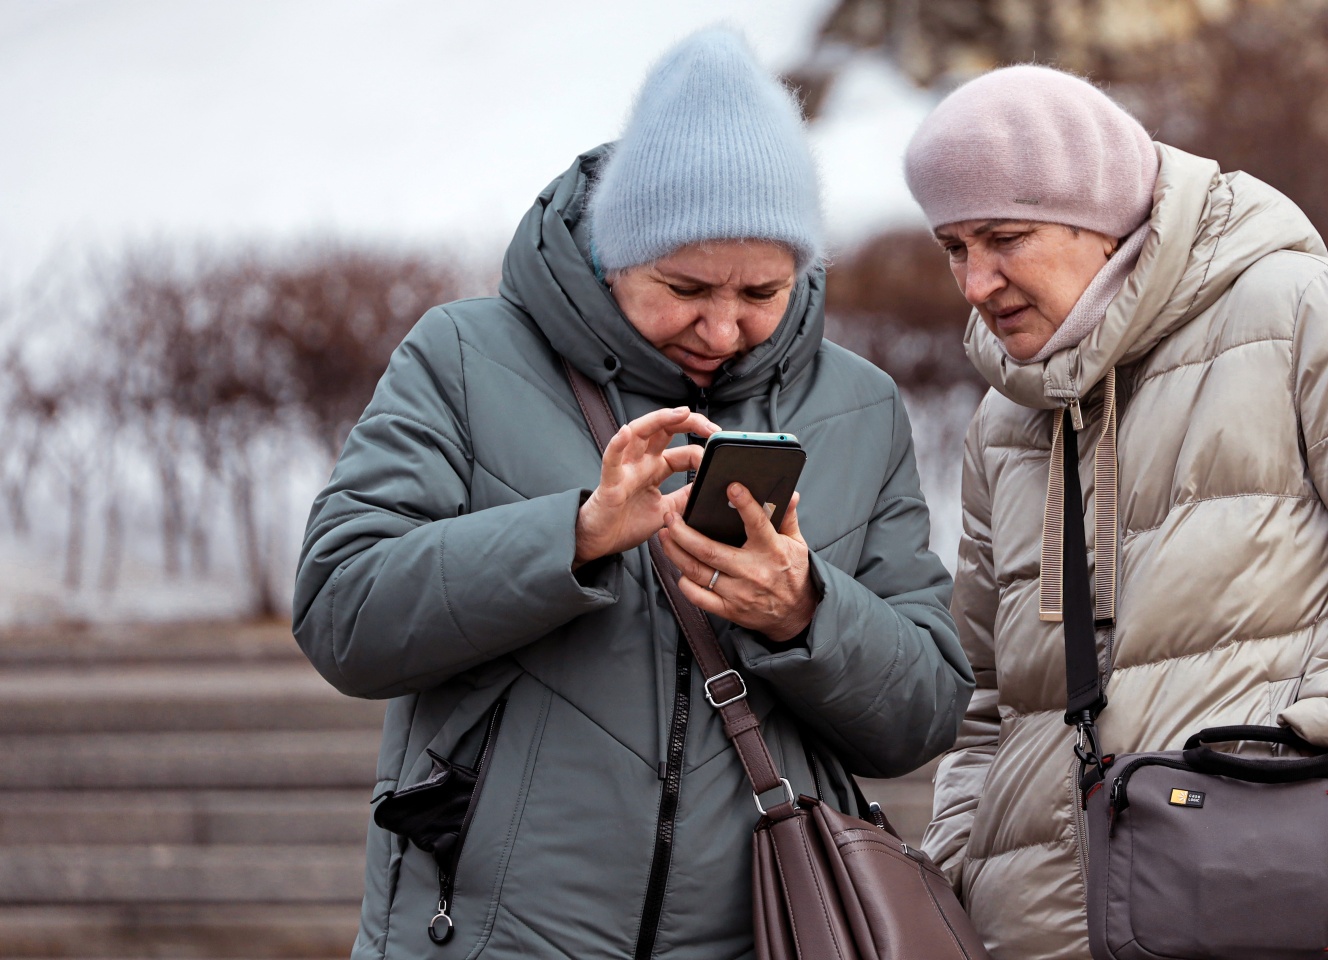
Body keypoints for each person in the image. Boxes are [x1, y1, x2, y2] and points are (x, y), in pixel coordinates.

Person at [293, 29, 972, 960]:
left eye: (763, 291)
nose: (724, 326)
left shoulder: (860, 407)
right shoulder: (462, 358)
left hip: (763, 935)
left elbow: (926, 711)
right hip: (490, 936)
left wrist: (805, 613)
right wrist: (572, 536)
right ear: (616, 251)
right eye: (684, 286)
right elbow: (341, 613)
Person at [904, 66, 1328, 960]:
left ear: (1104, 216)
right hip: (1047, 928)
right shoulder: (1006, 419)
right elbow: (988, 696)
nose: (974, 282)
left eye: (1004, 237)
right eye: (954, 248)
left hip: (1298, 892)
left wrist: (1298, 754)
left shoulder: (1315, 316)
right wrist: (968, 850)